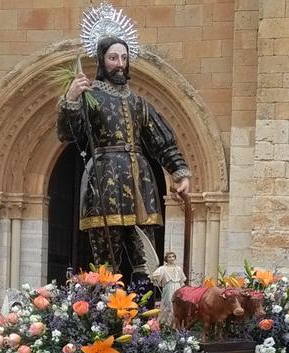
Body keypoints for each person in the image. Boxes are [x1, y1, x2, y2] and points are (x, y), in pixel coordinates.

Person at [58, 36, 191, 278]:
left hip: (140, 183)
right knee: (106, 258)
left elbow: (162, 141)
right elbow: (69, 133)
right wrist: (71, 99)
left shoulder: (139, 103)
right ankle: (107, 312)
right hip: (103, 183)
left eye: (124, 58)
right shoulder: (91, 96)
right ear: (101, 60)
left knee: (146, 257)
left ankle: (144, 309)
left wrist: (179, 172)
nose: (119, 63)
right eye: (113, 58)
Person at [149, 251, 187, 324]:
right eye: (169, 257)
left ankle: (177, 323)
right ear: (166, 259)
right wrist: (154, 277)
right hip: (168, 287)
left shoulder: (178, 268)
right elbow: (155, 275)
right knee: (169, 304)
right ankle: (167, 323)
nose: (171, 258)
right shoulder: (163, 268)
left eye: (173, 257)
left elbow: (182, 280)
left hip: (177, 287)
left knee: (178, 304)